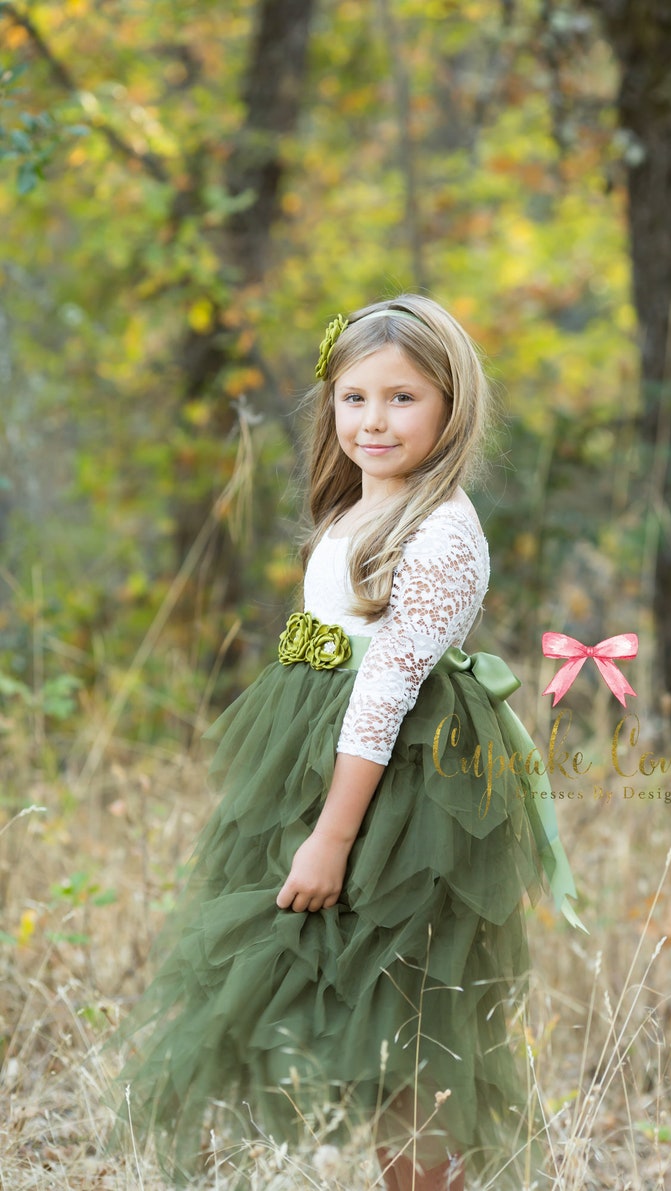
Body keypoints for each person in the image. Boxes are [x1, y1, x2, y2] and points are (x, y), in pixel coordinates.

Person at [113, 295, 581, 1190]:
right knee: (300, 986)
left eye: (403, 398)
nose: (373, 420)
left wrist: (331, 836)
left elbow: (386, 689)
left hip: (399, 792)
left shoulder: (441, 532)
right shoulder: (351, 512)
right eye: (354, 397)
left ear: (452, 406)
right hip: (319, 766)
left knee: (404, 1017)